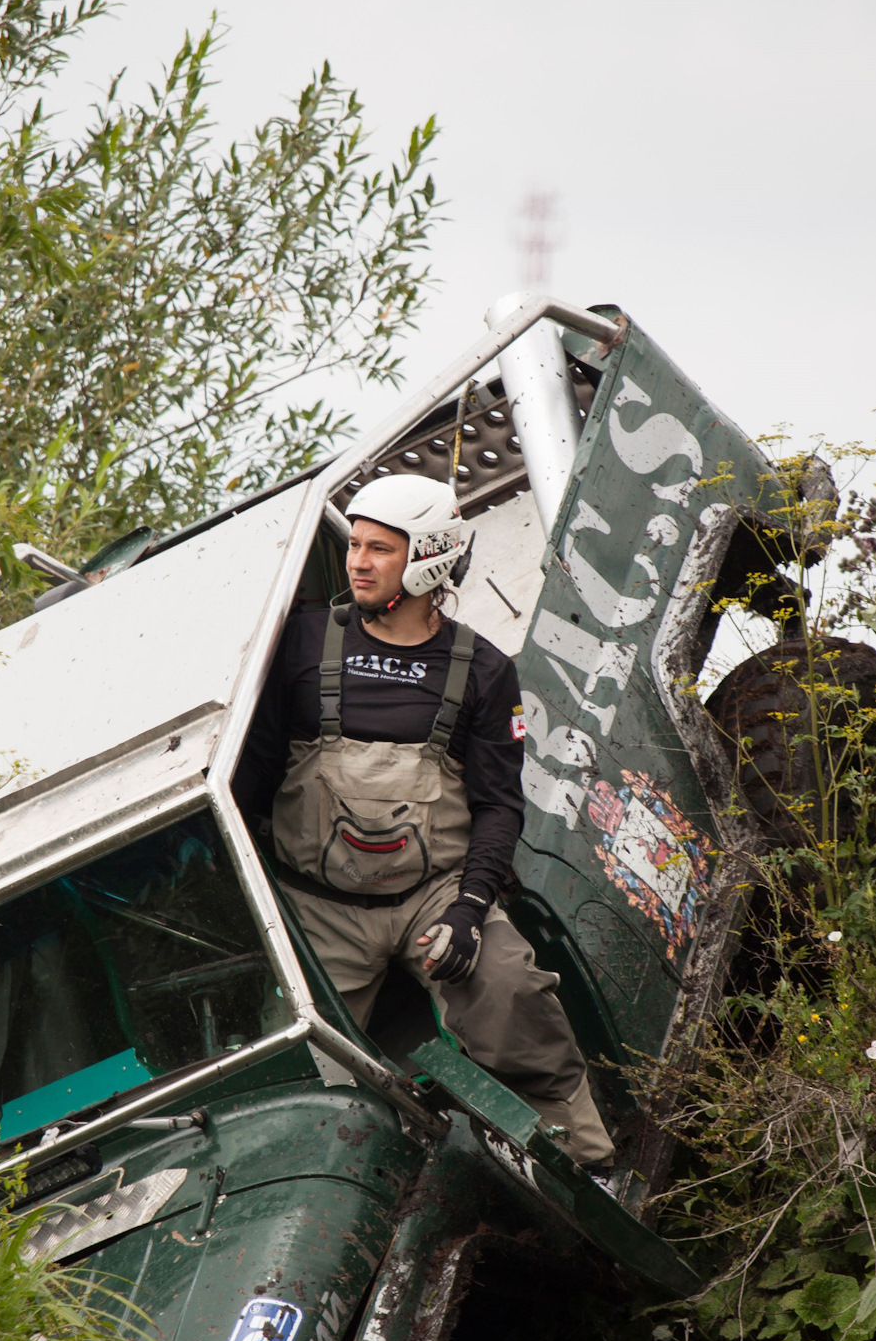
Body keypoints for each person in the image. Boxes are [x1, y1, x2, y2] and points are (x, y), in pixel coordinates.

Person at [233, 474, 614, 1167]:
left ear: (428, 558)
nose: (357, 561)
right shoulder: (302, 641)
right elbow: (251, 773)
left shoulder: (484, 671)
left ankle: (590, 1167)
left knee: (509, 991)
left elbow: (500, 805)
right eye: (355, 545)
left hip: (431, 896)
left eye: (380, 549)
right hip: (315, 906)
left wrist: (471, 909)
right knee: (293, 1060)